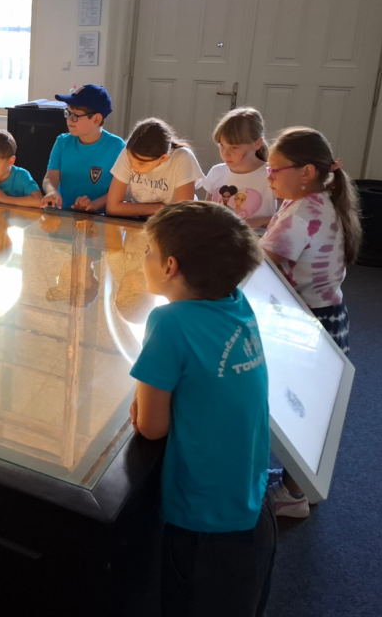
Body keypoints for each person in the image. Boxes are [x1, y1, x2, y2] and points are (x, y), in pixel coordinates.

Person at [130, 201, 275, 617]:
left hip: (204, 518)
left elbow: (151, 426)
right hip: (251, 500)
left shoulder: (169, 322)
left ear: (169, 266)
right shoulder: (237, 302)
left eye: (149, 251)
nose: (144, 258)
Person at [261, 126, 362, 519]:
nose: (268, 176)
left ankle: (293, 497)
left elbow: (262, 268)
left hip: (306, 325)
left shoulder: (300, 214)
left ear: (306, 172)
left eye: (275, 170)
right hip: (329, 317)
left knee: (296, 409)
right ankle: (301, 485)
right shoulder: (319, 201)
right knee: (312, 411)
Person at [41, 84, 125, 213]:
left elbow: (121, 191)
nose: (69, 119)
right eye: (68, 113)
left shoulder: (117, 147)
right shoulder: (62, 142)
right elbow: (50, 177)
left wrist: (92, 205)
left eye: (75, 115)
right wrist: (52, 191)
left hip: (100, 218)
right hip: (64, 215)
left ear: (96, 119)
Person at [106, 118, 204, 218]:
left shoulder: (182, 157)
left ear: (163, 158)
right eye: (130, 160)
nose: (132, 167)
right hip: (142, 219)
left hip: (172, 221)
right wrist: (160, 208)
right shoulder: (130, 151)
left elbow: (182, 213)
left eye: (141, 163)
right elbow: (112, 207)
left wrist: (135, 209)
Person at [201, 107, 277, 231]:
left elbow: (289, 217)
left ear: (257, 144)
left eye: (234, 147)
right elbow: (207, 212)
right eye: (222, 145)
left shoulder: (272, 175)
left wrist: (260, 221)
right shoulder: (216, 172)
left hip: (257, 240)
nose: (225, 153)